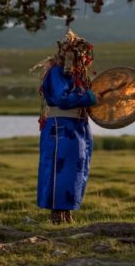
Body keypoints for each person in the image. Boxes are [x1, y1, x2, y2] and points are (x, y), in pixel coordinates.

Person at [31, 30, 97, 224]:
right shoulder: (57, 72)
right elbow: (62, 98)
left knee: (76, 170)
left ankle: (68, 211)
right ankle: (57, 214)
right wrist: (87, 97)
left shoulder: (77, 76)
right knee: (60, 169)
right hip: (61, 127)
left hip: (78, 126)